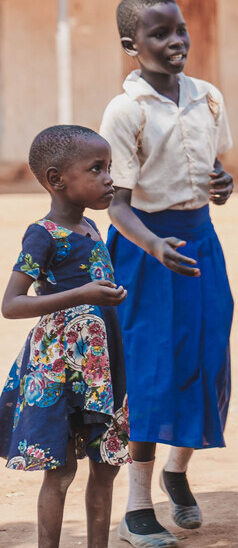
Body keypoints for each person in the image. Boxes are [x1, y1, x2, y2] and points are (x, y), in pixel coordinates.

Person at [100, 0, 235, 548]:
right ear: (133, 46)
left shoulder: (206, 98)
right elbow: (115, 201)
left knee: (206, 356)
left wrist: (223, 183)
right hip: (144, 250)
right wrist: (153, 245)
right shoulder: (125, 110)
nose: (177, 40)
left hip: (200, 241)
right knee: (149, 374)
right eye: (160, 34)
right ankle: (137, 506)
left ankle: (177, 470)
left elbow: (215, 165)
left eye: (179, 29)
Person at [0, 126, 131, 548]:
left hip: (101, 361)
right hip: (61, 364)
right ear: (57, 179)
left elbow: (96, 288)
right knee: (61, 470)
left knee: (106, 464)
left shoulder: (94, 227)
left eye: (109, 167)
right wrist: (84, 295)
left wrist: (108, 296)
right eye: (97, 169)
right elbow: (12, 304)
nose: (109, 177)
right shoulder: (43, 234)